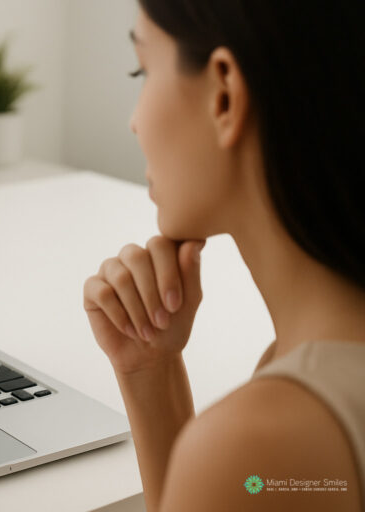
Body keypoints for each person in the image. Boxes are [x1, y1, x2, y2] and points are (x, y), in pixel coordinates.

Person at [83, 2, 364, 511]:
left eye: (143, 70)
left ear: (225, 96)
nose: (134, 121)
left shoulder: (261, 442)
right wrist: (151, 371)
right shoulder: (306, 368)